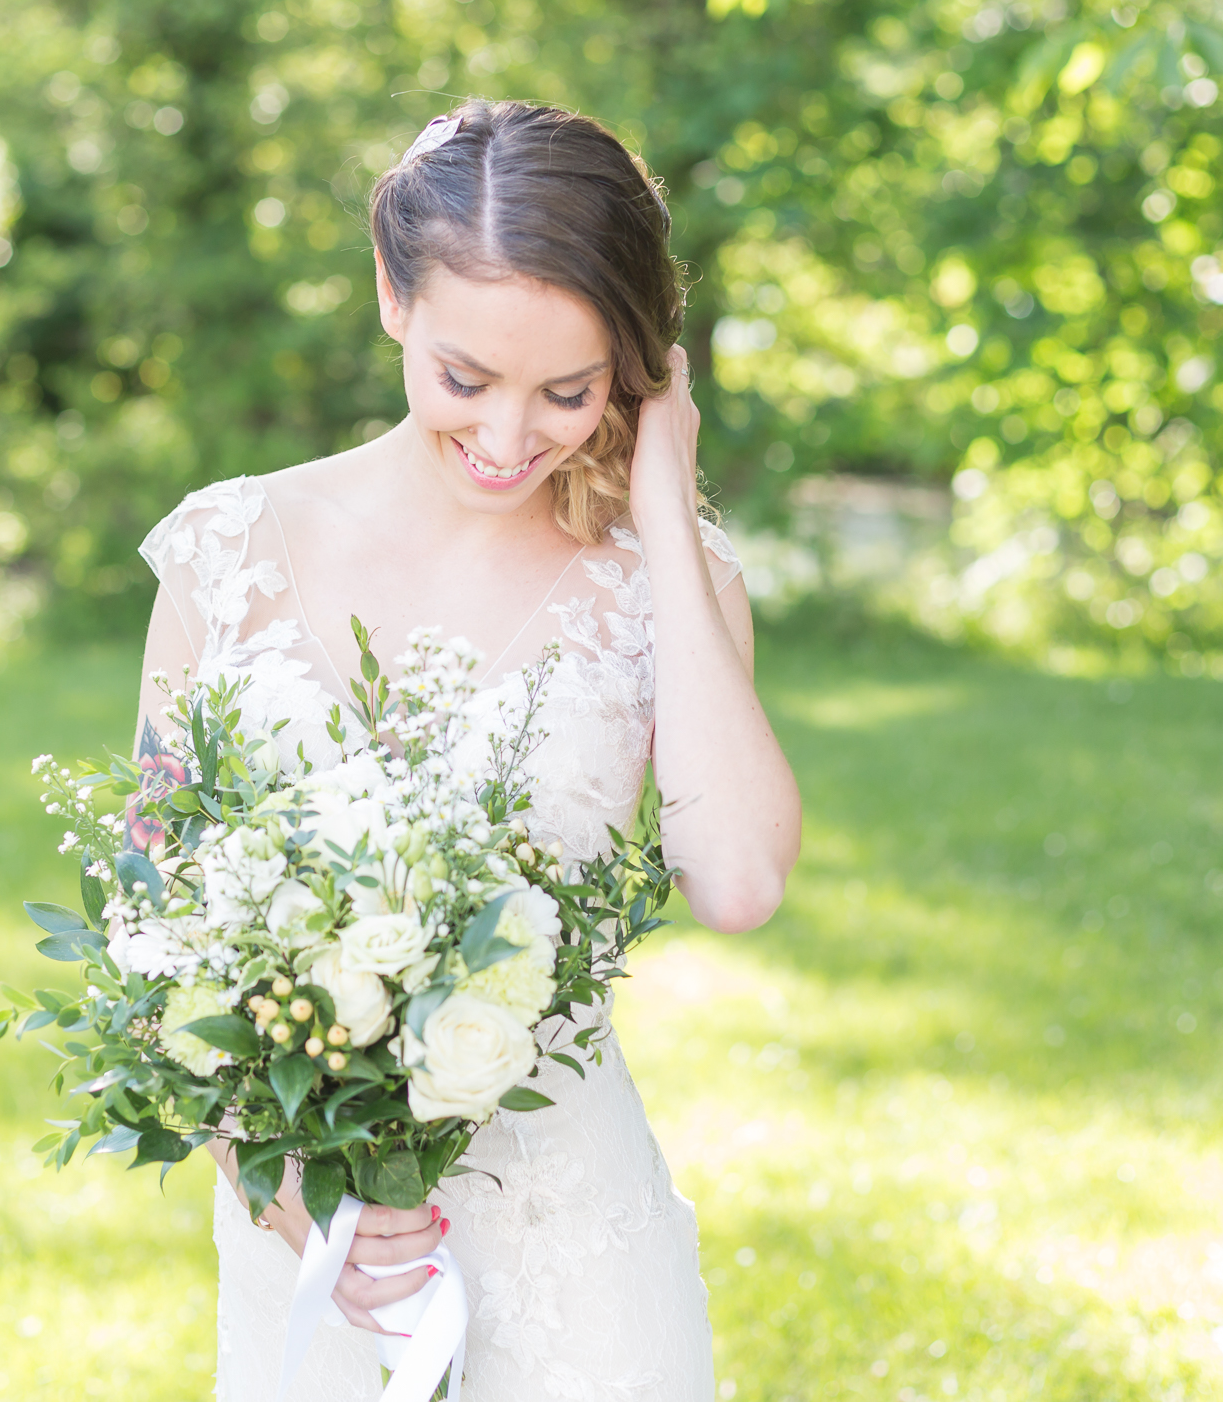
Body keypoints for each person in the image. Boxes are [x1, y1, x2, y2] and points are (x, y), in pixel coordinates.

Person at [131, 97, 802, 1400]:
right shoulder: (229, 555)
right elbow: (157, 919)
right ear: (392, 295)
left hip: (578, 1259)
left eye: (569, 389)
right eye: (466, 378)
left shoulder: (664, 583)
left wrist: (663, 507)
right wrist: (269, 1174)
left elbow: (737, 884)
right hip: (320, 1251)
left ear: (637, 365)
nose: (506, 441)